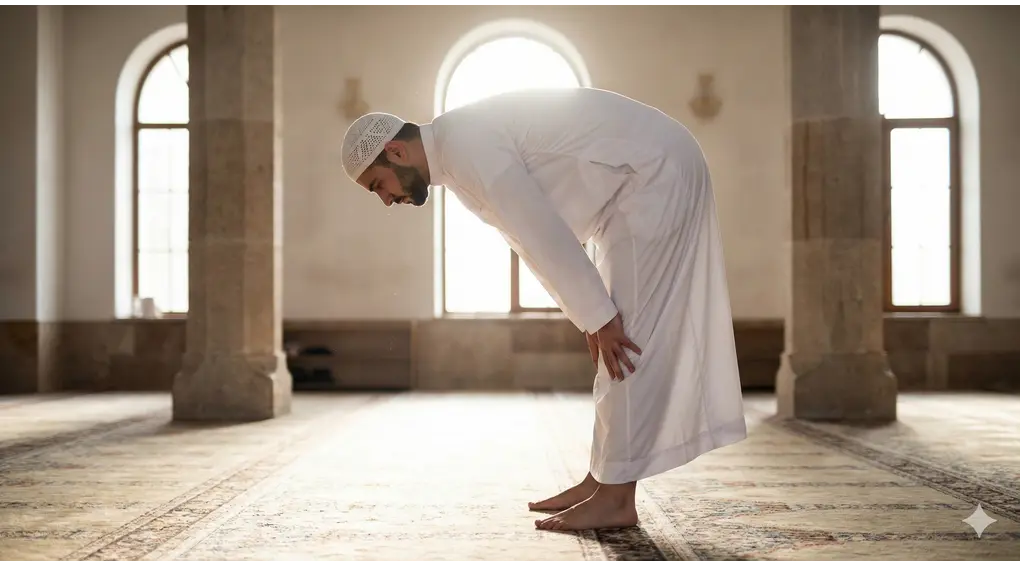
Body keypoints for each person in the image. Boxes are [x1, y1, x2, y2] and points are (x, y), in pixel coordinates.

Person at [340, 87, 747, 531]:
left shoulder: (463, 145)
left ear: (395, 151)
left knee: (627, 344)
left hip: (653, 174)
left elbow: (540, 231)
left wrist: (600, 317)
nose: (385, 200)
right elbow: (529, 242)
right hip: (633, 187)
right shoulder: (457, 153)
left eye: (379, 185)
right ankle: (601, 481)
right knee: (615, 341)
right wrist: (590, 317)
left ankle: (615, 500)